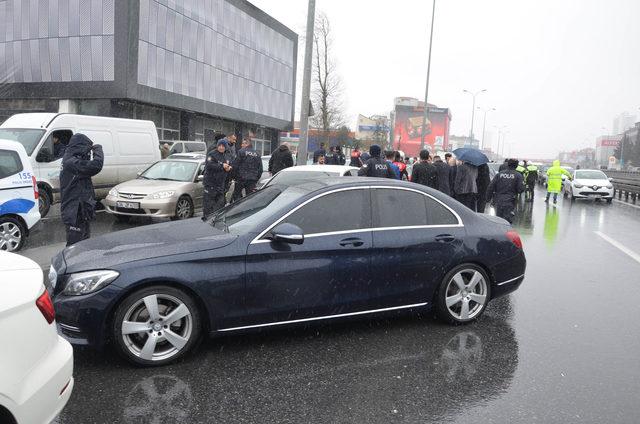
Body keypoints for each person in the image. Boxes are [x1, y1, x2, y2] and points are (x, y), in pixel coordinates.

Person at [59, 133, 104, 246]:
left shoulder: (72, 159)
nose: (88, 153)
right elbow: (96, 166)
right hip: (74, 212)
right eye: (87, 150)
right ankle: (70, 263)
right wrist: (98, 150)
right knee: (74, 247)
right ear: (80, 147)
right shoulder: (71, 163)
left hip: (81, 210)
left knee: (84, 245)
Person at [486, 158, 525, 224]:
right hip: (510, 202)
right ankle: (505, 233)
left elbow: (491, 187)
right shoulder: (518, 175)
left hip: (498, 200)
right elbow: (520, 189)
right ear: (516, 166)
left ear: (508, 164)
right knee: (507, 221)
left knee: (497, 220)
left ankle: (498, 232)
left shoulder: (499, 174)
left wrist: (488, 199)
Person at [203, 140, 233, 218]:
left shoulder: (227, 155)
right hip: (210, 184)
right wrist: (222, 166)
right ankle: (207, 219)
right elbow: (209, 165)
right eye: (220, 145)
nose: (221, 147)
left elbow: (230, 165)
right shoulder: (212, 154)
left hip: (221, 185)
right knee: (208, 206)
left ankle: (216, 220)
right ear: (217, 146)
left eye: (223, 146)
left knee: (220, 205)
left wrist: (229, 168)